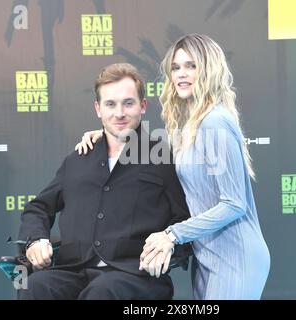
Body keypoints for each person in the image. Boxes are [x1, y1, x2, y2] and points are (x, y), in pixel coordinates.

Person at [75, 34, 270, 299]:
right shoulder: (190, 125)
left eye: (191, 66)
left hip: (235, 256)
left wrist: (172, 234)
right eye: (176, 68)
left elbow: (234, 203)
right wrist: (108, 136)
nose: (181, 74)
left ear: (208, 69)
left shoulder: (214, 121)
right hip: (207, 257)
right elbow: (155, 149)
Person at [18, 63, 191, 300]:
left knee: (103, 291)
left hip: (135, 276)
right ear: (98, 109)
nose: (119, 113)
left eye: (128, 103)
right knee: (33, 285)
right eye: (110, 104)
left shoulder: (163, 158)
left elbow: (185, 218)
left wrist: (169, 246)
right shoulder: (77, 159)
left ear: (142, 106)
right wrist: (36, 240)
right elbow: (38, 207)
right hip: (75, 269)